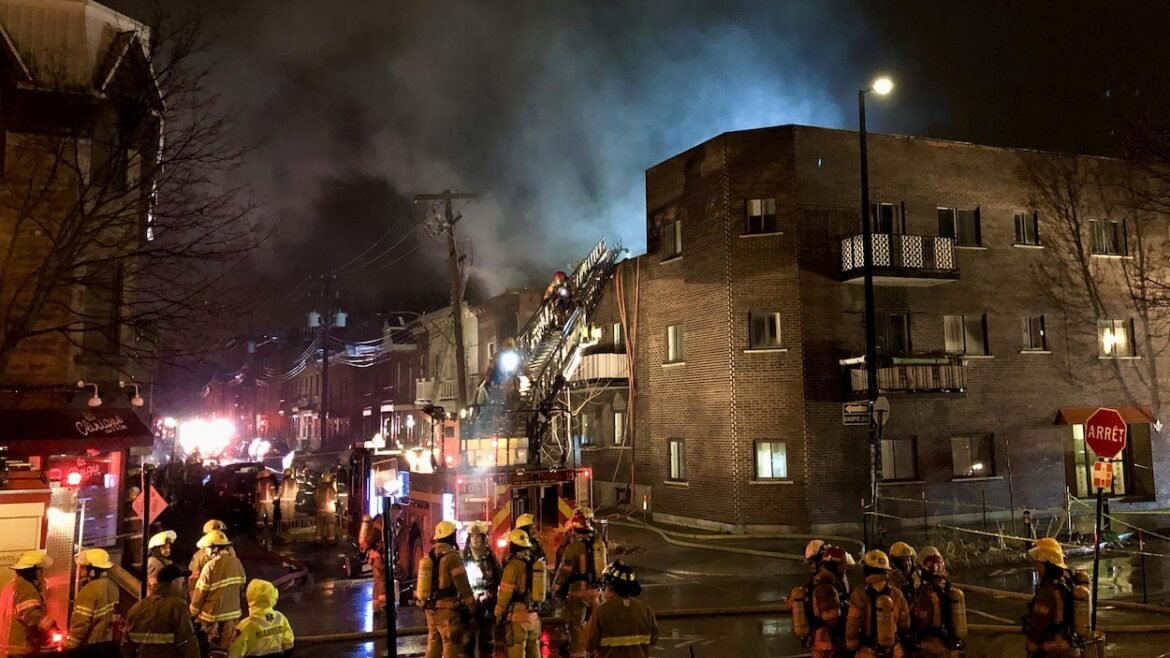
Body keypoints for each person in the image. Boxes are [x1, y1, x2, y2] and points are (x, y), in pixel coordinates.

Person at [417, 520, 475, 658]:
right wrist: (472, 605)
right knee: (450, 644)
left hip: (430, 608)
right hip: (447, 611)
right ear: (451, 536)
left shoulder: (430, 555)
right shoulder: (452, 557)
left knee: (433, 644)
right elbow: (463, 584)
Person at [122, 563, 200, 658]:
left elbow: (126, 645)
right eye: (182, 582)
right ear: (174, 582)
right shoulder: (177, 606)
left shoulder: (137, 607)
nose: (183, 585)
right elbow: (186, 642)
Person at [553, 512, 604, 658]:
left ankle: (579, 655)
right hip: (596, 593)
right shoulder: (598, 544)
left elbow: (565, 571)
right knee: (595, 627)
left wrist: (555, 588)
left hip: (578, 595)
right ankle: (595, 653)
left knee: (577, 628)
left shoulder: (574, 547)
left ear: (575, 530)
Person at [585, 560, 658, 658]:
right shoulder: (645, 610)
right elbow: (653, 640)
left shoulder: (601, 612)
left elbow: (588, 644)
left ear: (610, 587)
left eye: (603, 587)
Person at [189, 530, 247, 653]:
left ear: (214, 548)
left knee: (207, 646)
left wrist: (192, 612)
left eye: (207, 548)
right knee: (226, 648)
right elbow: (242, 585)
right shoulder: (237, 563)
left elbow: (200, 593)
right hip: (232, 613)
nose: (205, 552)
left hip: (211, 616)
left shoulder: (210, 566)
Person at [846, 550, 911, 658]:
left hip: (867, 652)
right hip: (894, 652)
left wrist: (851, 646)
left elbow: (852, 626)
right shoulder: (896, 594)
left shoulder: (859, 594)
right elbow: (905, 624)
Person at [1, 550, 60, 656]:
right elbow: (32, 616)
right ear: (35, 572)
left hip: (8, 647)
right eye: (41, 571)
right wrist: (52, 626)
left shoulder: (10, 586)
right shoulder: (26, 588)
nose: (42, 574)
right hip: (21, 649)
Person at [494, 529, 542, 658]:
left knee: (516, 650)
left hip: (518, 618)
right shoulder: (535, 564)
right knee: (534, 651)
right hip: (533, 617)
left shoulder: (512, 567)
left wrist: (497, 614)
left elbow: (505, 594)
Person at [1023, 540, 1075, 658]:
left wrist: (1031, 649)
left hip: (1050, 649)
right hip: (1066, 646)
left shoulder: (1048, 592)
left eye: (1039, 563)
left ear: (1047, 564)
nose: (1037, 566)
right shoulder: (1066, 581)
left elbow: (1038, 623)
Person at [66, 548, 120, 657]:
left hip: (91, 647)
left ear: (92, 570)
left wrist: (69, 646)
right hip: (108, 644)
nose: (80, 571)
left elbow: (80, 624)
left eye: (83, 568)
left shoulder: (89, 590)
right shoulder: (113, 586)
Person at [910, 553, 965, 657]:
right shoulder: (949, 589)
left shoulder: (927, 595)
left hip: (932, 644)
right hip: (950, 643)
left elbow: (921, 623)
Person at [462, 521, 501, 657]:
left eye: (478, 536)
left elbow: (499, 577)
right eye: (472, 536)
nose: (475, 539)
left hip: (487, 603)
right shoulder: (463, 557)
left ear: (483, 538)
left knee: (487, 641)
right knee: (467, 642)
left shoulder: (491, 557)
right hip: (469, 603)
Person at [227, 579, 294, 658]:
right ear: (272, 596)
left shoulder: (245, 626)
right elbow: (289, 645)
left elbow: (235, 652)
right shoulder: (280, 618)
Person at [806, 544, 850, 658]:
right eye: (842, 565)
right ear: (835, 565)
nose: (845, 568)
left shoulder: (828, 581)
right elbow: (831, 618)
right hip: (828, 642)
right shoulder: (826, 586)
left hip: (827, 641)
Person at [189, 520, 229, 594]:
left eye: (220, 531)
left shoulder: (230, 551)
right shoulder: (200, 555)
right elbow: (194, 578)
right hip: (208, 594)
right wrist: (193, 596)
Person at [147, 530, 177, 595]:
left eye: (168, 547)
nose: (168, 550)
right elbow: (155, 587)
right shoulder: (154, 563)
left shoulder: (164, 562)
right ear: (156, 549)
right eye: (164, 547)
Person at [314, 471, 338, 544]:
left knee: (319, 526)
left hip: (319, 510)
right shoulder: (330, 489)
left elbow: (315, 499)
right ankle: (331, 540)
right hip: (329, 511)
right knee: (330, 525)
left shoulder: (318, 489)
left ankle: (318, 539)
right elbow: (335, 499)